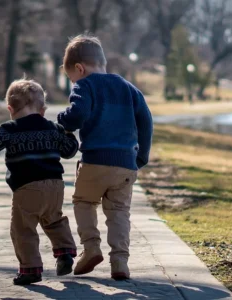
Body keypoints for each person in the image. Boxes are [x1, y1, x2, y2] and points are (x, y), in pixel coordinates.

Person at [0, 79, 78, 285]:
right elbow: (69, 151)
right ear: (42, 110)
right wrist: (70, 135)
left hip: (27, 187)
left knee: (23, 229)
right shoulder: (52, 128)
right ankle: (65, 253)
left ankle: (31, 269)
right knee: (54, 219)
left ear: (10, 109)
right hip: (55, 186)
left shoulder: (9, 129)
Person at [58, 35, 153, 280]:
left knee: (84, 202)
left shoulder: (85, 85)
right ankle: (120, 261)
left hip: (95, 161)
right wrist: (141, 156)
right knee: (119, 211)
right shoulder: (128, 87)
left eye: (71, 79)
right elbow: (146, 120)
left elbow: (76, 115)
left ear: (80, 68)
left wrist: (62, 120)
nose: (73, 83)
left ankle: (91, 248)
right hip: (125, 164)